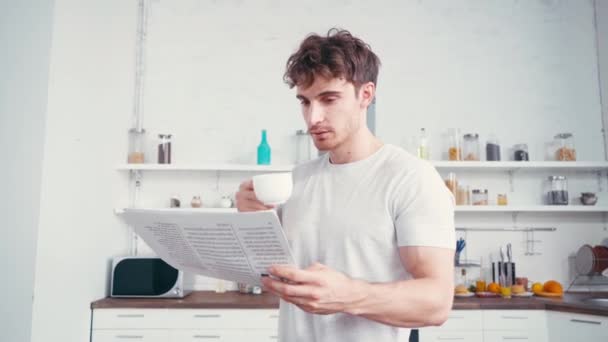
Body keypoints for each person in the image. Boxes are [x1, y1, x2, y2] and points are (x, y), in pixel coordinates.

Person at [236, 28, 455, 342]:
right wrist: (250, 220)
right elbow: (274, 274)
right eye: (305, 102)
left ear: (366, 95)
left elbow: (436, 303)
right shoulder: (297, 180)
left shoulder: (412, 178)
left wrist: (349, 295)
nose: (313, 118)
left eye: (329, 99)